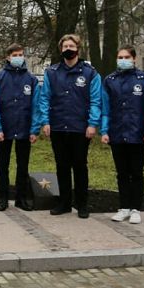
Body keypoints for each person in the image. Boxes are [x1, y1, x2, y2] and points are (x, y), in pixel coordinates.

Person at [38, 34, 102, 218]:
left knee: (80, 166)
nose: (68, 49)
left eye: (71, 46)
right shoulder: (52, 72)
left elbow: (96, 100)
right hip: (58, 126)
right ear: (61, 49)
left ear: (78, 49)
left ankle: (82, 204)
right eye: (65, 45)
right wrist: (46, 121)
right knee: (62, 166)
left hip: (80, 128)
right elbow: (45, 98)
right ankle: (64, 203)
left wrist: (92, 123)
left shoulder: (90, 73)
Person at [100, 45, 144, 225]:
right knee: (122, 173)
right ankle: (123, 207)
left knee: (137, 172)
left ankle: (136, 208)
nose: (123, 60)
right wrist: (105, 130)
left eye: (126, 57)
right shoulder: (110, 80)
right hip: (117, 132)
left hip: (138, 134)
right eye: (120, 57)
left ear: (134, 59)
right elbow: (106, 108)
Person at [0, 43, 40, 211]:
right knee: (2, 165)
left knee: (23, 165)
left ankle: (21, 198)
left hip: (24, 129)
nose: (18, 57)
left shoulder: (31, 79)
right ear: (8, 57)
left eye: (21, 54)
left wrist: (34, 130)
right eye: (15, 55)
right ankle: (3, 198)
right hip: (4, 129)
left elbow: (36, 106)